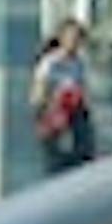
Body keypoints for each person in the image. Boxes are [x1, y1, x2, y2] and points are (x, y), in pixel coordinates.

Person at [30, 19, 97, 174]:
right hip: (54, 117)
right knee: (55, 161)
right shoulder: (50, 63)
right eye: (72, 38)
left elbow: (84, 91)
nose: (75, 43)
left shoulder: (80, 64)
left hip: (74, 116)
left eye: (78, 39)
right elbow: (38, 94)